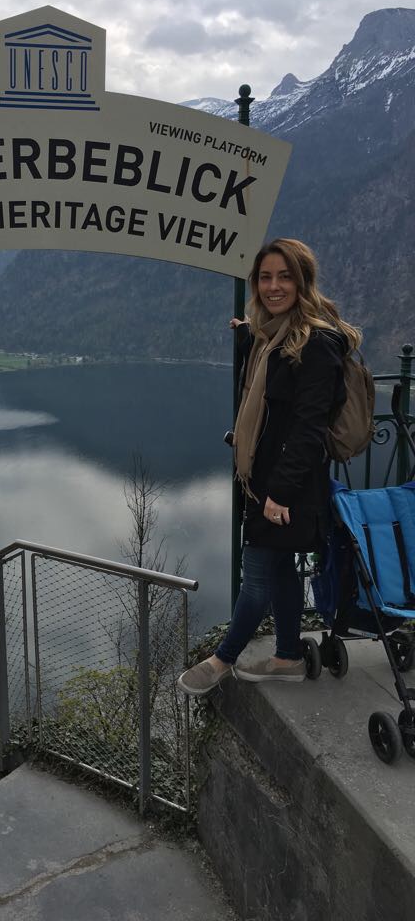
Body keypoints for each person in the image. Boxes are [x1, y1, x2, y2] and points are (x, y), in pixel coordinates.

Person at [178, 238, 361, 695]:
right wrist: (248, 334)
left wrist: (279, 492)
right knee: (279, 569)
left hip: (287, 487)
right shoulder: (273, 336)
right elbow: (271, 389)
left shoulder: (317, 343)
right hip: (267, 482)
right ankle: (287, 657)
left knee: (257, 575)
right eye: (265, 277)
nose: (273, 286)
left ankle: (221, 660)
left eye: (284, 276)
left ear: (303, 281)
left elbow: (308, 427)